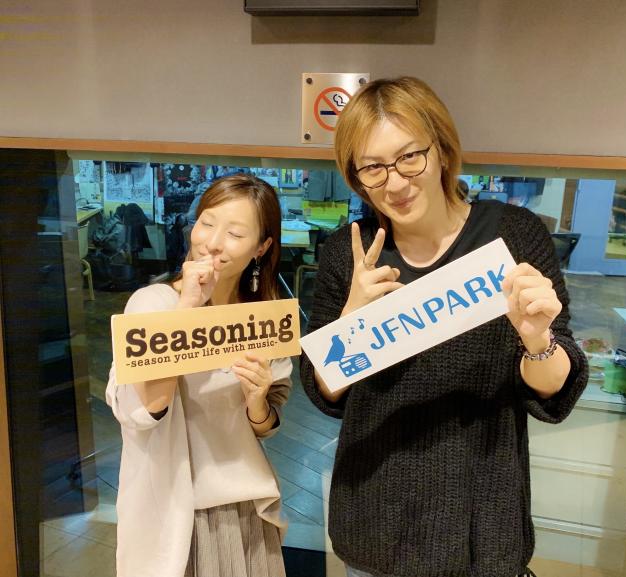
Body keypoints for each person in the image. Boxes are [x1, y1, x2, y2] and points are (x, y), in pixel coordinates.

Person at [300, 77, 589, 577]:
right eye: (373, 167)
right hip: (374, 521)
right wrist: (351, 323)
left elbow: (553, 391)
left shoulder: (513, 234)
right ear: (356, 176)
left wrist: (537, 339)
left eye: (409, 157)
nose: (394, 182)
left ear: (441, 149)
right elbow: (323, 389)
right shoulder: (349, 253)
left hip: (482, 523)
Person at [107, 174, 291, 577]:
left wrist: (257, 401)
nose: (213, 242)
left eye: (235, 233)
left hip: (244, 506)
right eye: (207, 223)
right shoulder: (152, 304)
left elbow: (265, 426)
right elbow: (147, 409)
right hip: (173, 510)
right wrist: (188, 308)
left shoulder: (262, 319)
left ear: (261, 248)